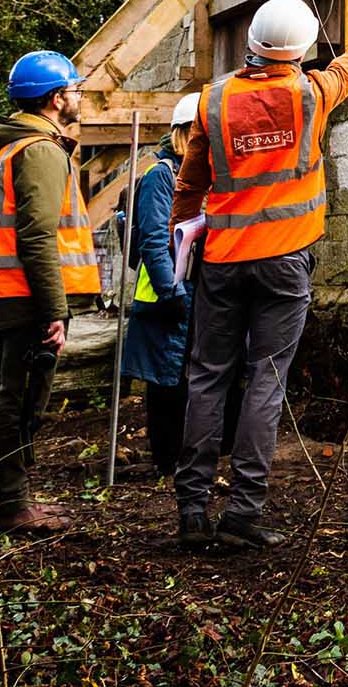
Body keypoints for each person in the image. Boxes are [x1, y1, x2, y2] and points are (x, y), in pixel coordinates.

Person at [171, 0, 348, 551]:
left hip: (222, 260)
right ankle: (244, 512)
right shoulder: (312, 93)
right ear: (300, 52)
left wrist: (183, 234)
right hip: (284, 263)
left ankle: (192, 510)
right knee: (266, 383)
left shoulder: (213, 100)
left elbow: (190, 183)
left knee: (207, 378)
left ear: (251, 43)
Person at [0, 50, 102, 535]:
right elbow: (37, 235)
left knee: (15, 396)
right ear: (57, 98)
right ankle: (9, 504)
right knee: (21, 400)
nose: (80, 97)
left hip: (16, 295)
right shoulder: (39, 151)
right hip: (28, 298)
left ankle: (11, 498)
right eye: (75, 90)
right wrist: (54, 310)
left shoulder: (15, 147)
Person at [123, 91, 240, 479]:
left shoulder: (212, 176)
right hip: (168, 291)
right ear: (185, 133)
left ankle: (202, 452)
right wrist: (169, 291)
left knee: (204, 374)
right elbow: (154, 239)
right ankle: (166, 459)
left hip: (203, 289)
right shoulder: (162, 176)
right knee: (167, 381)